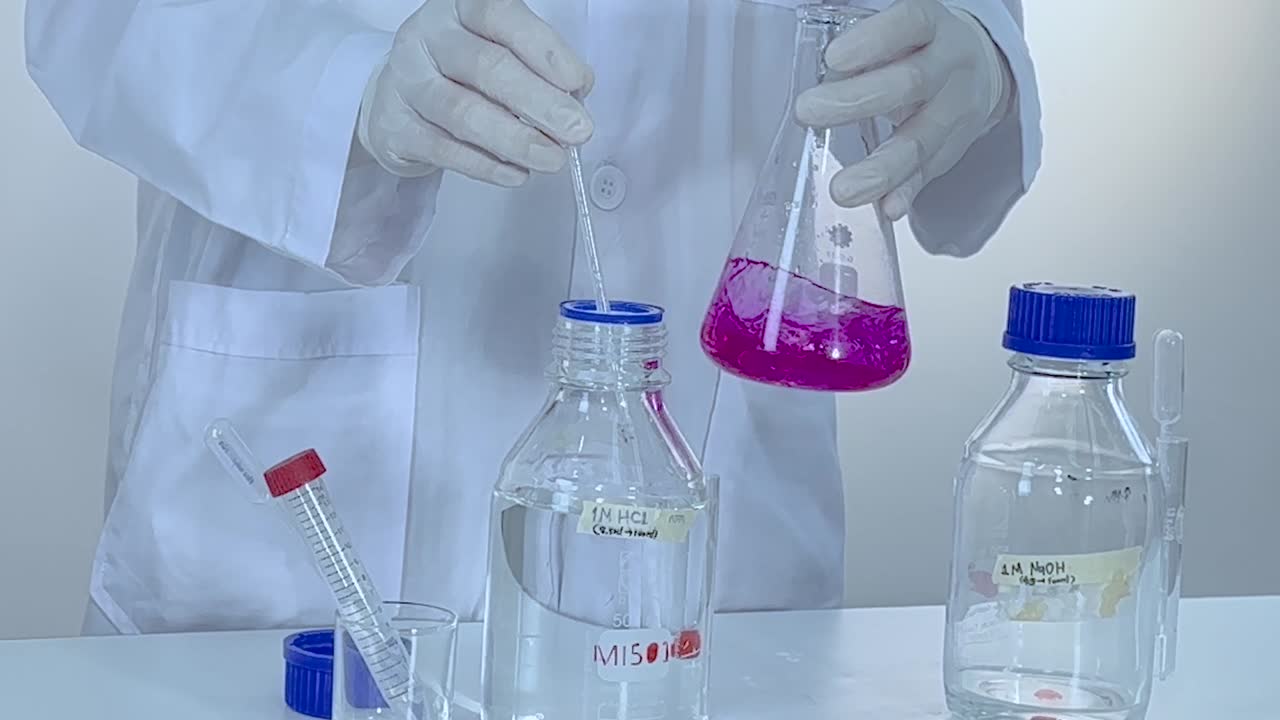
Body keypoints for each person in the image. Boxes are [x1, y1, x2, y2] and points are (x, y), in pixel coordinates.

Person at [25, 0, 1040, 634]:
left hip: (719, 526)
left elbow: (953, 26)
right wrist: (346, 92)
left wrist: (976, 50)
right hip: (306, 480)